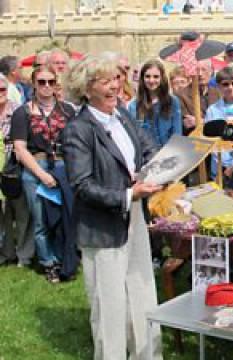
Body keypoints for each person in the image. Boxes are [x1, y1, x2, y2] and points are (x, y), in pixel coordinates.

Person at [63, 55, 163, 359]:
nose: (115, 86)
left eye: (117, 78)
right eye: (105, 81)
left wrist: (154, 170)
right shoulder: (78, 129)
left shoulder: (122, 114)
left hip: (133, 215)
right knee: (110, 303)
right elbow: (83, 186)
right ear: (86, 88)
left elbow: (148, 147)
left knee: (141, 288)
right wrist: (128, 193)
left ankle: (146, 353)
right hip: (102, 226)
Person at [10, 65, 75, 282]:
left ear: (56, 84)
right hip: (35, 168)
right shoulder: (23, 112)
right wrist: (41, 174)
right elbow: (20, 148)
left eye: (50, 82)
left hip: (63, 168)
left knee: (64, 216)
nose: (46, 86)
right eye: (41, 82)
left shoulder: (67, 110)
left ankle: (65, 258)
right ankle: (49, 262)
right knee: (40, 221)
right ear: (34, 84)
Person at [0, 74, 30, 266]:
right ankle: (6, 252)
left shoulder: (18, 111)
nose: (0, 93)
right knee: (2, 214)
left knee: (21, 213)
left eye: (2, 89)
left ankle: (24, 255)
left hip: (16, 166)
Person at [128, 59, 182, 146]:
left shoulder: (173, 102)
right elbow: (134, 137)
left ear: (162, 78)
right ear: (142, 78)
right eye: (147, 76)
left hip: (168, 154)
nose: (151, 80)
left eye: (156, 76)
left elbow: (177, 135)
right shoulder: (134, 105)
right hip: (145, 156)